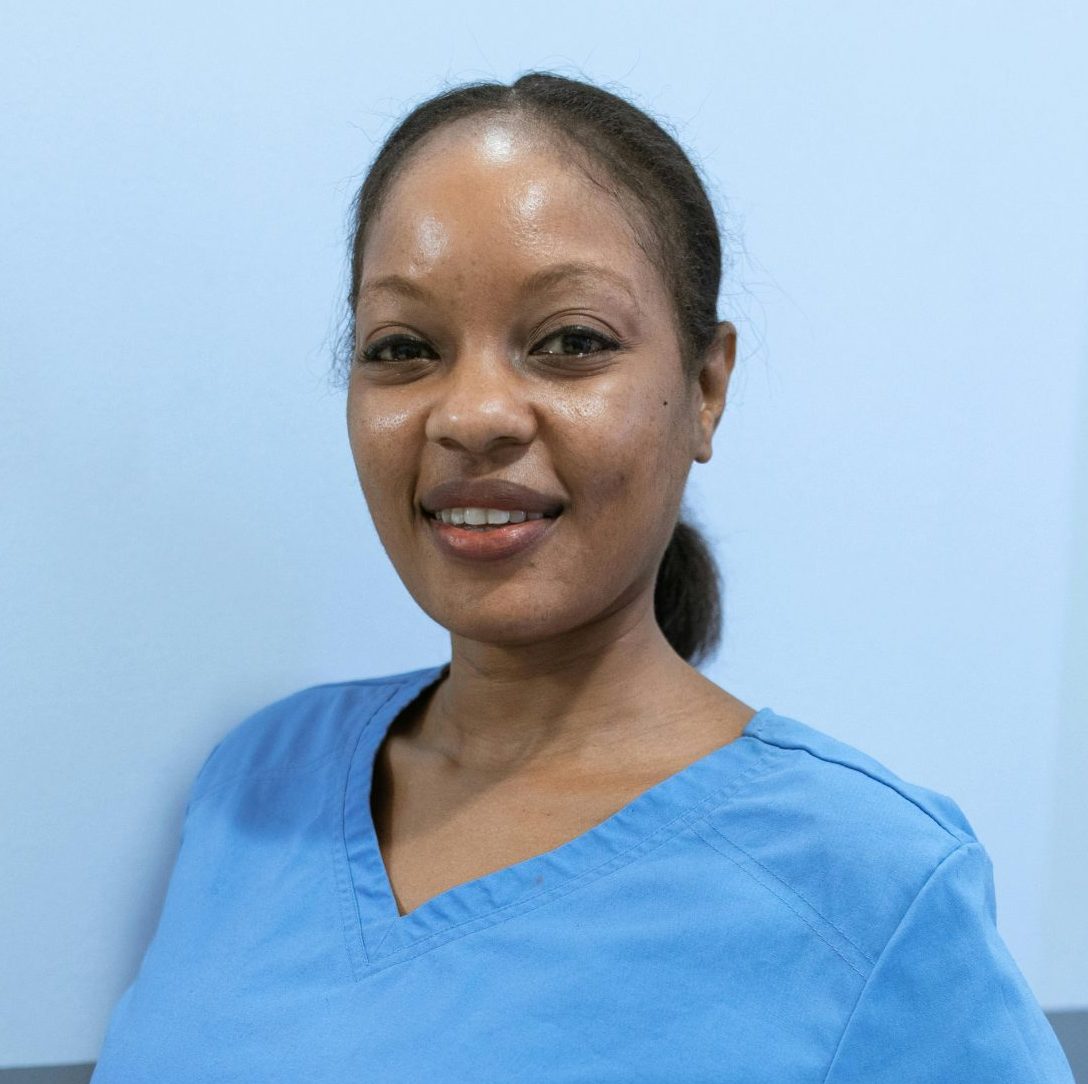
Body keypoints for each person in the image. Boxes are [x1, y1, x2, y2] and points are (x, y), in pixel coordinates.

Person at [91, 72, 1074, 1082]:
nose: (471, 415)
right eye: (404, 347)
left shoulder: (870, 885)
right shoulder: (255, 785)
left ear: (704, 386)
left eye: (569, 342)